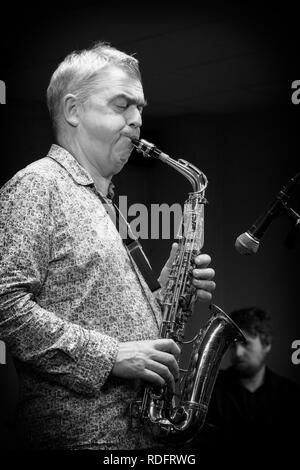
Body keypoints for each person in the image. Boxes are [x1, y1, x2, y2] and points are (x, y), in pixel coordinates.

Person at [0, 42, 216, 450]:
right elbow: (4, 304)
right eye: (122, 105)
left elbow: (92, 304)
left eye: (140, 108)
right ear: (73, 111)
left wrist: (166, 289)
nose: (137, 120)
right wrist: (110, 356)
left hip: (137, 437)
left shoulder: (106, 201)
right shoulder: (37, 186)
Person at [203, 307, 300, 454]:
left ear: (266, 344)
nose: (238, 353)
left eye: (246, 344)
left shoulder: (290, 394)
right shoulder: (211, 388)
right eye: (233, 344)